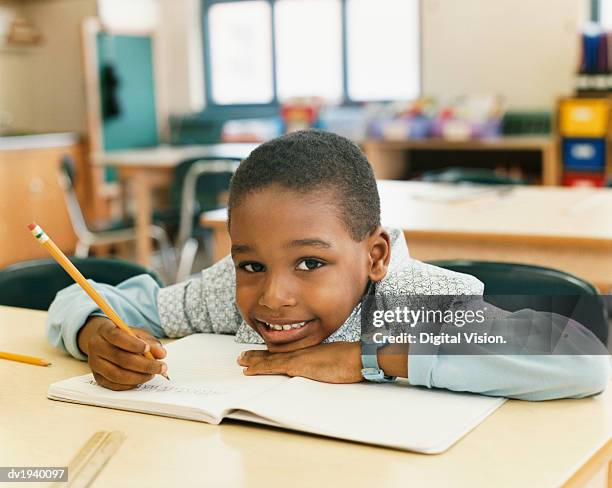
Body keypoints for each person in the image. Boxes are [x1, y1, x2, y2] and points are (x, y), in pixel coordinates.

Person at [46, 130, 610, 399]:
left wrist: (368, 356)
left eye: (310, 262)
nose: (273, 296)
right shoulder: (227, 290)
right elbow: (86, 295)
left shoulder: (414, 300)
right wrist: (99, 331)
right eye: (252, 265)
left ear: (376, 256)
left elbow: (583, 356)